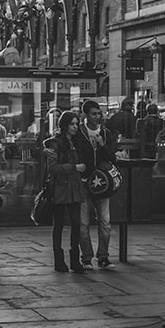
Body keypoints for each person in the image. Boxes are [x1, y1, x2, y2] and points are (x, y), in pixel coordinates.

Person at [75, 100, 118, 270]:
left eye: (99, 113)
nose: (97, 117)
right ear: (85, 114)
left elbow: (112, 157)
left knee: (105, 222)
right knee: (83, 224)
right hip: (85, 182)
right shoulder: (79, 133)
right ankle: (86, 257)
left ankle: (103, 256)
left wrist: (101, 146)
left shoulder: (106, 133)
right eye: (93, 113)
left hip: (102, 184)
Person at [44, 111, 87, 273]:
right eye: (72, 124)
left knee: (76, 223)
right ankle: (59, 261)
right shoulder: (56, 143)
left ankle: (75, 260)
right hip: (60, 189)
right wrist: (74, 168)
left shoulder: (77, 142)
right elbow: (53, 168)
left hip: (74, 188)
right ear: (65, 125)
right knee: (59, 225)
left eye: (77, 124)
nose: (75, 127)